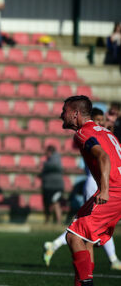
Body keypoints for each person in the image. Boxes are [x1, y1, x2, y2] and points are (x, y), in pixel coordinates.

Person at [43, 107, 121, 270]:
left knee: (83, 230)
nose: (101, 123)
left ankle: (58, 247)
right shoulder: (97, 133)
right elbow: (103, 156)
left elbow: (104, 156)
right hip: (97, 183)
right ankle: (111, 261)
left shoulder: (97, 133)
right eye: (98, 120)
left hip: (106, 183)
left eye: (102, 120)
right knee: (84, 231)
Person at [38, 145, 64, 224]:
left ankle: (58, 221)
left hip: (55, 187)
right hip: (48, 186)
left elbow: (55, 166)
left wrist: (45, 164)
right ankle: (48, 221)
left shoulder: (55, 159)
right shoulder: (49, 160)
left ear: (49, 152)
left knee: (55, 202)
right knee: (47, 204)